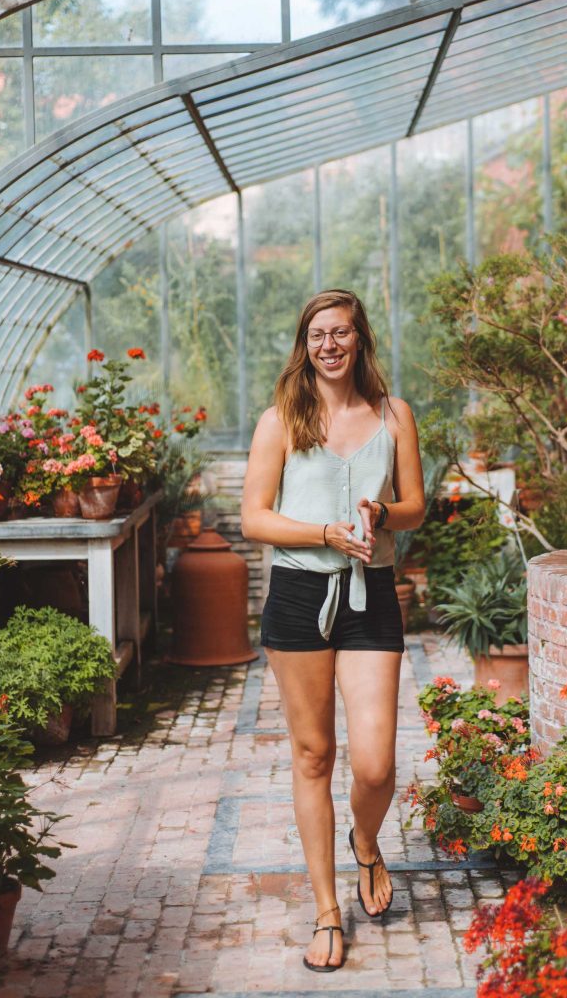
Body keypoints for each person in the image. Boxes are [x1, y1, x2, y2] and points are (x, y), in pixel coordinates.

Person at [241, 288, 424, 972]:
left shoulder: (394, 414)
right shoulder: (281, 420)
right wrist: (323, 532)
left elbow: (416, 509)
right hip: (297, 596)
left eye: (341, 332)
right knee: (314, 755)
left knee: (375, 761)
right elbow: (255, 519)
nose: (329, 345)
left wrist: (383, 509)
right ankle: (326, 911)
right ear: (305, 343)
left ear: (359, 339)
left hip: (371, 592)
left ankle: (367, 843)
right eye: (318, 334)